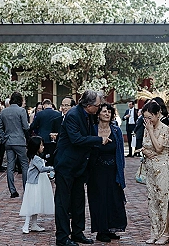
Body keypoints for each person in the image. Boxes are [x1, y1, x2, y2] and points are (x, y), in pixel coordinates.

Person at [54, 90, 108, 246]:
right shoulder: (73, 115)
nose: (99, 108)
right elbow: (76, 139)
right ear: (88, 105)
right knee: (63, 203)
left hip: (80, 166)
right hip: (66, 165)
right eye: (97, 105)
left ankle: (77, 233)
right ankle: (62, 237)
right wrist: (99, 140)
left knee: (78, 201)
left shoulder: (89, 115)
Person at [87, 104, 127, 243]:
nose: (107, 113)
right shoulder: (92, 130)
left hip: (112, 170)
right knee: (99, 200)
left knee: (113, 200)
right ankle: (101, 230)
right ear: (98, 114)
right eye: (104, 111)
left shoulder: (116, 130)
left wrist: (120, 171)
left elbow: (120, 152)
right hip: (96, 171)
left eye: (109, 111)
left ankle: (111, 228)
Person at [141, 100, 169, 244]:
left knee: (163, 199)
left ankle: (165, 233)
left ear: (158, 114)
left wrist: (151, 132)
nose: (147, 120)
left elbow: (159, 147)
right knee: (152, 200)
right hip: (150, 168)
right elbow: (144, 146)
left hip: (162, 168)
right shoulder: (145, 128)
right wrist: (146, 152)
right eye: (145, 117)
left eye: (150, 117)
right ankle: (154, 231)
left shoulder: (164, 129)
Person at [0, 91, 30, 198]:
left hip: (8, 141)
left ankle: (12, 190)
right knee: (24, 165)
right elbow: (25, 126)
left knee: (10, 166)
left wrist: (4, 137)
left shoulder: (4, 111)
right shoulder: (21, 111)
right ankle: (26, 189)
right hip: (20, 141)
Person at [20, 136, 54, 234]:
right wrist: (52, 168)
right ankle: (26, 224)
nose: (43, 147)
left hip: (36, 183)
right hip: (34, 184)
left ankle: (34, 224)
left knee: (35, 204)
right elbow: (41, 169)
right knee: (31, 204)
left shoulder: (35, 158)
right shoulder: (36, 158)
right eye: (41, 145)